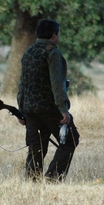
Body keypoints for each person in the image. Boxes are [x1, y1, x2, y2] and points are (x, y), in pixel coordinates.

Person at [17, 19, 79, 182]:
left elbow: (22, 83)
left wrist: (21, 110)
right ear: (53, 35)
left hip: (30, 110)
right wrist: (63, 109)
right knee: (71, 139)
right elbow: (57, 84)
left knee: (36, 148)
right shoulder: (52, 52)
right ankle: (52, 179)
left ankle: (32, 182)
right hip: (50, 108)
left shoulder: (28, 52)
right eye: (58, 34)